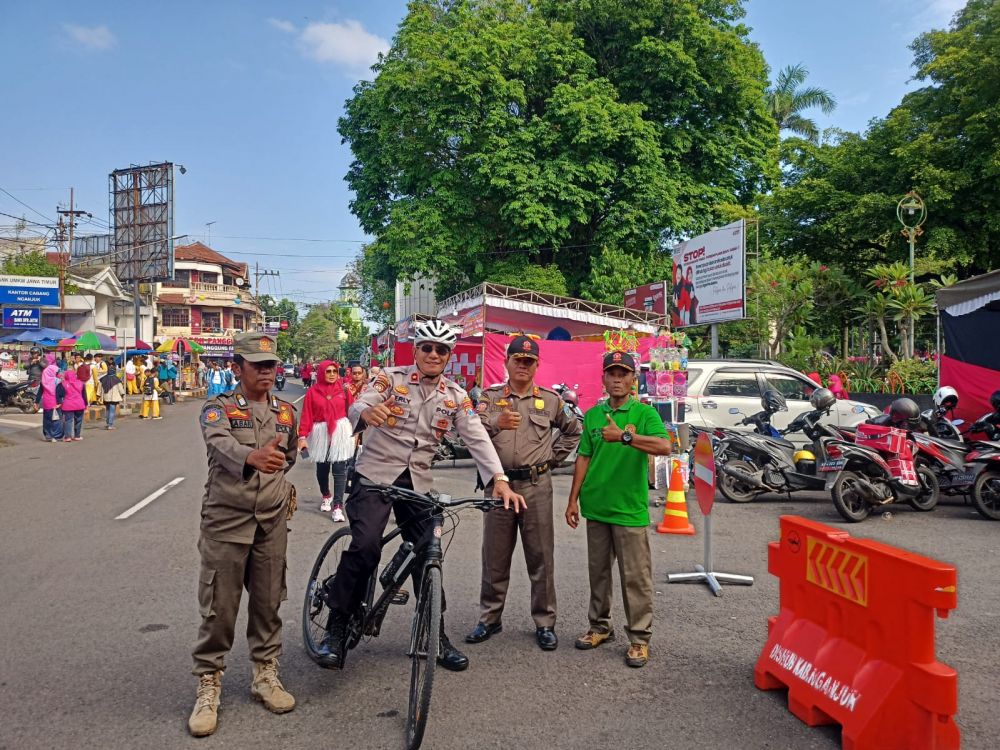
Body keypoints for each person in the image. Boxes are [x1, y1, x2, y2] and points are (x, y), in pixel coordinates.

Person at [314, 319, 526, 673]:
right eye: (426, 347)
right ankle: (336, 625)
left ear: (448, 356)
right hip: (375, 476)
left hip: (416, 483)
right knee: (366, 547)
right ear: (416, 351)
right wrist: (366, 412)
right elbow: (358, 405)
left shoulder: (456, 397)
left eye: (441, 350)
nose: (433, 354)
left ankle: (435, 635)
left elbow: (476, 437)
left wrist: (499, 479)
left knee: (430, 552)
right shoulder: (390, 378)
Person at [188, 332, 299, 737]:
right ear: (237, 368)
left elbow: (287, 457)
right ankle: (209, 682)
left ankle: (265, 674)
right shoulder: (217, 409)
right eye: (258, 365)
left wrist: (278, 485)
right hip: (227, 520)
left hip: (271, 521)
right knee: (220, 607)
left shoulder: (286, 413)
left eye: (271, 364)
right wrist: (251, 457)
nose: (267, 371)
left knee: (269, 601)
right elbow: (220, 446)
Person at [466, 336, 581, 651]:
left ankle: (545, 622)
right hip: (499, 485)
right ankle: (490, 618)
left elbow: (573, 431)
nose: (523, 366)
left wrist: (552, 459)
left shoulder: (551, 400)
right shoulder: (490, 398)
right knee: (494, 555)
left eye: (529, 361)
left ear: (536, 365)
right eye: (517, 360)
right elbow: (470, 431)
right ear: (507, 362)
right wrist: (496, 422)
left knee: (541, 555)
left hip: (536, 486)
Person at [565, 351, 671, 669]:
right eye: (611, 373)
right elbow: (583, 456)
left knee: (635, 578)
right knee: (598, 574)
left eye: (623, 373)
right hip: (596, 507)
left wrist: (625, 436)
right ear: (603, 378)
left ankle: (639, 639)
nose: (617, 379)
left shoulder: (643, 413)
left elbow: (665, 446)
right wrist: (573, 500)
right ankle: (600, 627)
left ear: (632, 380)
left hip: (629, 511)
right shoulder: (594, 415)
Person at [298, 359, 354, 522]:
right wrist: (302, 436)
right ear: (321, 373)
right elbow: (306, 415)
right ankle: (326, 495)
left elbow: (353, 411)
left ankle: (338, 506)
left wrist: (357, 432)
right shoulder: (312, 392)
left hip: (341, 432)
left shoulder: (344, 389)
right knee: (322, 469)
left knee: (339, 469)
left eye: (334, 371)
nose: (331, 374)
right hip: (320, 433)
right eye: (328, 371)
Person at [59, 369, 87, 442]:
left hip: (68, 405)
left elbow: (59, 394)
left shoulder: (63, 384)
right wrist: (86, 404)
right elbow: (84, 395)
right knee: (78, 420)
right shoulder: (81, 383)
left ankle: (68, 437)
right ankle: (77, 436)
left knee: (68, 420)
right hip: (80, 404)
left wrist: (59, 402)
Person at [40, 353, 63, 442]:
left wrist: (37, 402)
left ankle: (48, 435)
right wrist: (60, 402)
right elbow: (60, 392)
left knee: (47, 419)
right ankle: (55, 435)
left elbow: (40, 391)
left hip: (46, 402)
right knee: (56, 419)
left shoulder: (44, 377)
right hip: (55, 402)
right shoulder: (57, 381)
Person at [100, 361, 125, 429]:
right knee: (112, 411)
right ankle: (110, 425)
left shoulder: (103, 379)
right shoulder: (117, 379)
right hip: (114, 398)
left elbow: (100, 389)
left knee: (107, 410)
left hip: (106, 398)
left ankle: (108, 423)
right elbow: (121, 390)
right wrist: (122, 395)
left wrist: (99, 396)